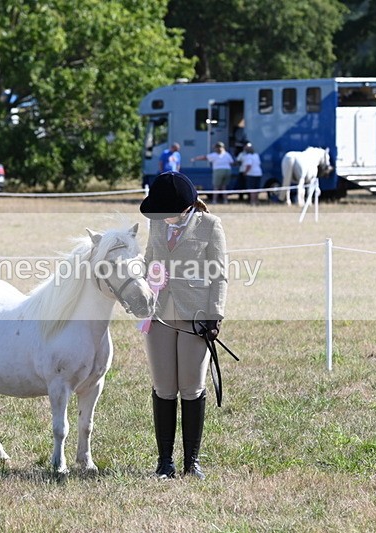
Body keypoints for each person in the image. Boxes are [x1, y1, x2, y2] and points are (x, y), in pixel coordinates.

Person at [139, 171, 228, 480]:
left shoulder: (210, 226)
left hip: (195, 317)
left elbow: (219, 275)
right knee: (164, 387)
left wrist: (213, 316)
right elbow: (149, 257)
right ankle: (165, 462)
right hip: (159, 313)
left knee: (191, 388)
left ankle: (192, 461)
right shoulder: (156, 223)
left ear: (186, 207)